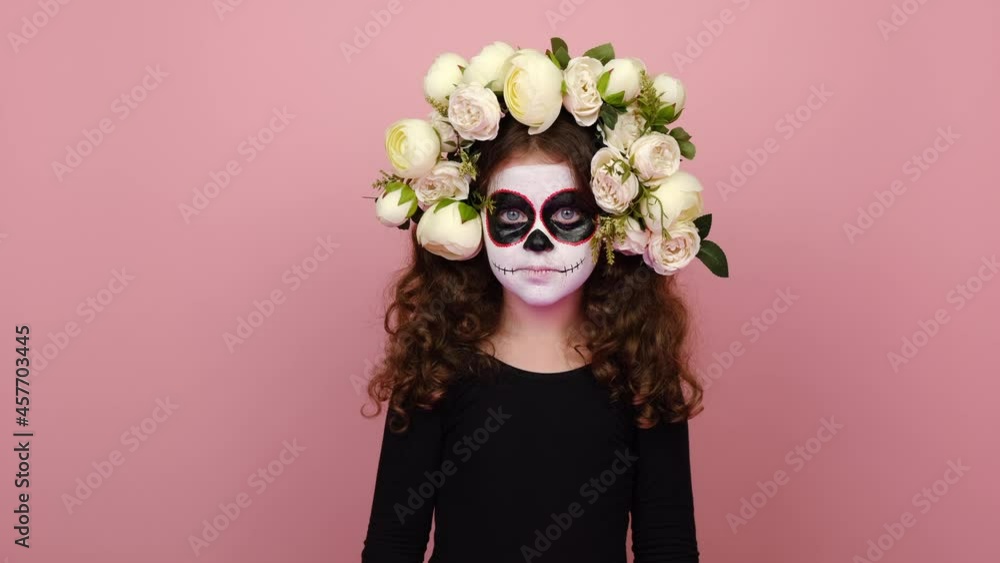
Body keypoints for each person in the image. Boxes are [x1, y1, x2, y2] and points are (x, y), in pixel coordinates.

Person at [361, 108, 705, 562]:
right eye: (511, 213)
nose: (538, 242)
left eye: (567, 212)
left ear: (611, 223)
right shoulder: (435, 368)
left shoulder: (641, 373)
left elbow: (667, 544)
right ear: (474, 219)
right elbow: (392, 546)